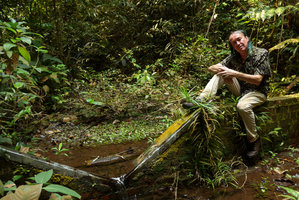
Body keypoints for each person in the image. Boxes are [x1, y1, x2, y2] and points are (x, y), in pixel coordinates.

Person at [182, 30, 271, 159]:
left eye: (239, 39)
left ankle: (253, 140)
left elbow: (258, 80)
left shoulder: (261, 53)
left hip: (257, 91)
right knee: (220, 73)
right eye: (234, 43)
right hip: (241, 90)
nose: (238, 43)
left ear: (246, 38)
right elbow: (211, 68)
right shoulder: (234, 57)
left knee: (242, 106)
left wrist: (233, 73)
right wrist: (224, 73)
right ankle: (201, 100)